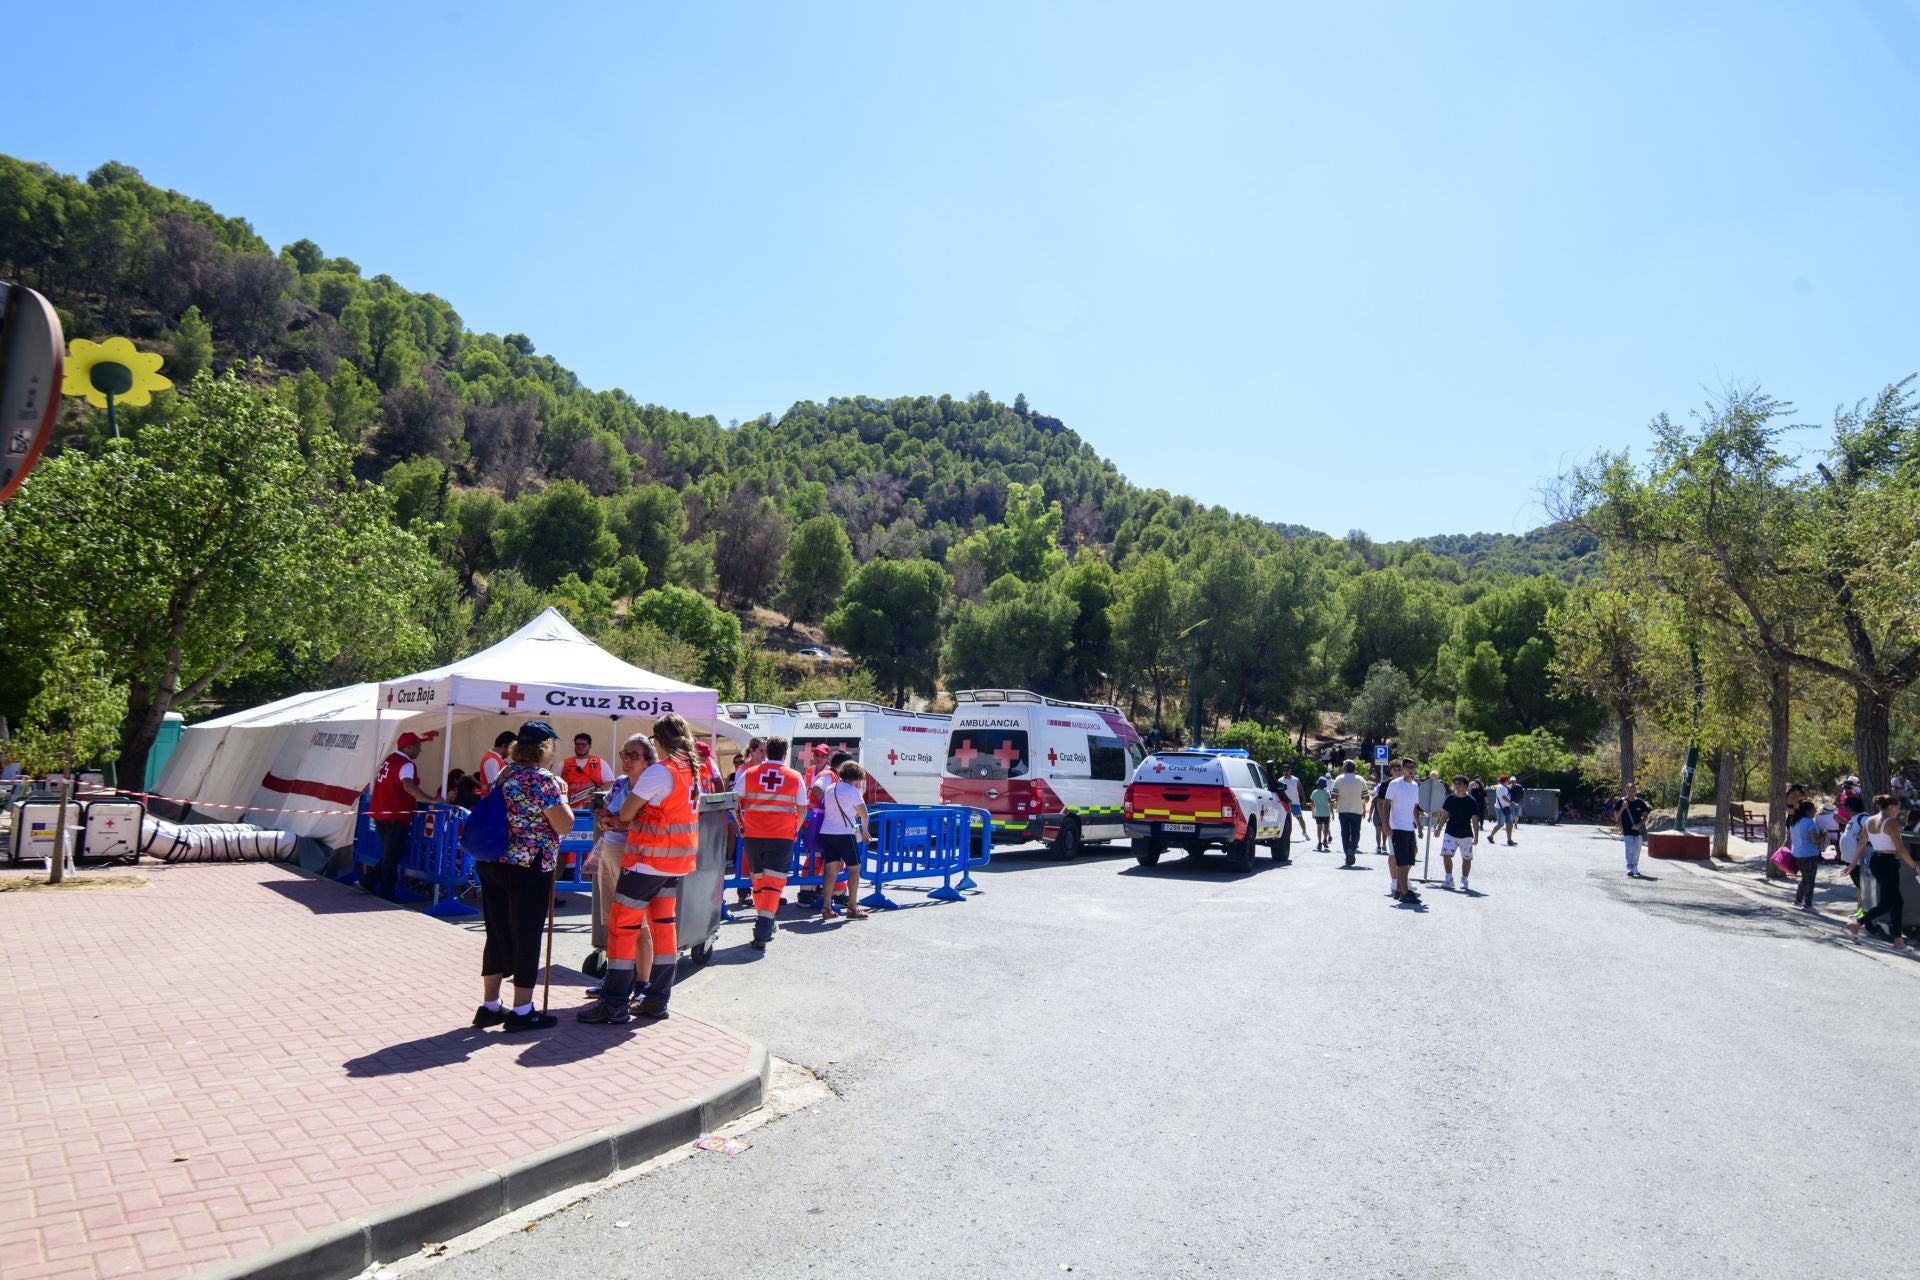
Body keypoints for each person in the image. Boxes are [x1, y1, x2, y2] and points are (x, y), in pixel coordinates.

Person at [581, 713, 703, 1024]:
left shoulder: (660, 772)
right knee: (663, 929)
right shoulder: (691, 770)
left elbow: (628, 810)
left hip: (646, 860)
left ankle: (615, 1004)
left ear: (658, 742)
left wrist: (617, 819)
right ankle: (656, 1001)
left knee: (623, 928)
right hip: (674, 861)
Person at [472, 720, 572, 1033]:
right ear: (545, 749)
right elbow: (564, 824)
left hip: (493, 860)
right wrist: (565, 796)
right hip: (528, 865)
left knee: (497, 931)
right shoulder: (543, 780)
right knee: (526, 933)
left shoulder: (506, 773)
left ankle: (490, 1005)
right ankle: (522, 1009)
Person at [588, 734, 655, 979]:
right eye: (625, 754)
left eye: (634, 755)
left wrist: (618, 823)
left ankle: (642, 981)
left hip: (635, 855)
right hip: (609, 850)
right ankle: (614, 978)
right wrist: (605, 819)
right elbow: (608, 809)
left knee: (637, 922)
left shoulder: (651, 786)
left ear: (648, 761)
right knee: (613, 920)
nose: (627, 760)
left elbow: (650, 823)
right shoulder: (620, 783)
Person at [738, 736, 807, 949]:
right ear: (785, 755)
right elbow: (802, 808)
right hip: (781, 836)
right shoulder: (795, 776)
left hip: (753, 835)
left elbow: (734, 800)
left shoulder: (749, 774)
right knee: (773, 881)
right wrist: (794, 829)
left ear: (767, 752)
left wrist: (742, 824)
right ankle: (765, 923)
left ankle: (764, 921)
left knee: (758, 880)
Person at [369, 731, 435, 901]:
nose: (420, 750)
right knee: (393, 855)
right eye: (418, 746)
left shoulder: (390, 759)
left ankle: (368, 881)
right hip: (395, 814)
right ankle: (386, 893)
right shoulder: (406, 764)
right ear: (409, 747)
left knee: (392, 852)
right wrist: (430, 800)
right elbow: (408, 785)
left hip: (381, 812)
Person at [1848, 794, 1915, 950]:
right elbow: (1901, 850)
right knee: (1887, 903)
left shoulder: (1870, 820)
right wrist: (1915, 867)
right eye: (1897, 806)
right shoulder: (1891, 823)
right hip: (1888, 862)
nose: (1899, 809)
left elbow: (1861, 844)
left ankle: (1898, 940)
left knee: (1897, 902)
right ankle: (1857, 922)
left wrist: (1852, 864)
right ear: (1891, 807)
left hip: (1876, 861)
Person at [816, 759, 871, 921]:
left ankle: (826, 907)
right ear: (856, 777)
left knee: (831, 872)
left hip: (826, 832)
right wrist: (865, 831)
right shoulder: (853, 791)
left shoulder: (830, 789)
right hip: (844, 833)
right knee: (854, 869)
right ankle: (852, 908)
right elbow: (864, 814)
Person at [1384, 758, 1423, 905]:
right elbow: (1386, 804)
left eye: (1413, 767)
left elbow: (1414, 807)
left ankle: (1401, 887)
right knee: (1401, 860)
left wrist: (1418, 825)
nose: (1411, 770)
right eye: (1408, 767)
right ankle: (1405, 892)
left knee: (1412, 854)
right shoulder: (1395, 784)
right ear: (1402, 768)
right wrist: (1386, 825)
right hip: (1397, 826)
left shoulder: (1414, 786)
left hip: (1409, 827)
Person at [1438, 774, 1482, 892]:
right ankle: (1449, 879)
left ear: (1466, 785)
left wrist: (1476, 836)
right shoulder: (1450, 798)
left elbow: (1475, 819)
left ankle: (1464, 880)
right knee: (1446, 854)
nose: (1457, 786)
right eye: (1455, 784)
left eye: (1460, 784)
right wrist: (1438, 828)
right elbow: (1445, 815)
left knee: (1466, 858)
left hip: (1466, 834)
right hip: (1450, 832)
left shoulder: (1471, 801)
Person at [1330, 762, 1369, 867]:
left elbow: (1334, 795)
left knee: (1345, 833)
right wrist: (1362, 804)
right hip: (1357, 810)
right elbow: (1367, 797)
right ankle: (1352, 848)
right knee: (1356, 833)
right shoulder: (1360, 779)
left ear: (1345, 768)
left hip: (1342, 810)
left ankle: (1348, 854)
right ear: (1354, 769)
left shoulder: (1339, 779)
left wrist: (1336, 802)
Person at [559, 733, 613, 809]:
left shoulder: (599, 762)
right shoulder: (564, 764)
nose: (580, 747)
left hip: (593, 809)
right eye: (577, 744)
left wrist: (600, 791)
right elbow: (553, 783)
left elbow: (610, 782)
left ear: (589, 746)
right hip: (570, 809)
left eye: (583, 744)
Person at [1788, 799, 1822, 910]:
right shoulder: (1809, 822)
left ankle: (1798, 900)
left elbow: (1789, 839)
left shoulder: (1794, 822)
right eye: (1813, 809)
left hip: (1797, 854)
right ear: (1808, 811)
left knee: (1805, 878)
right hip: (1809, 854)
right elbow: (1815, 839)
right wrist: (1824, 836)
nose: (1815, 811)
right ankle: (1808, 903)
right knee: (1810, 880)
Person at [1619, 782, 1652, 878]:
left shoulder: (1640, 803)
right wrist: (1623, 807)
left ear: (1635, 791)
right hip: (1627, 830)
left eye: (1633, 790)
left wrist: (1638, 824)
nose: (1631, 792)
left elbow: (1646, 817)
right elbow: (1616, 816)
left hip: (1638, 831)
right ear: (1626, 790)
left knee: (1637, 850)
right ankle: (1630, 867)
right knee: (1629, 849)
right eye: (1629, 790)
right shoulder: (1621, 802)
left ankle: (1635, 866)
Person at [1490, 776, 1518, 846]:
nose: (1509, 781)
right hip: (1500, 808)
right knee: (1500, 824)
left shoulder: (1504, 786)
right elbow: (1504, 797)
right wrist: (1512, 803)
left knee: (1509, 823)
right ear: (1505, 780)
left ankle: (1509, 840)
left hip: (1506, 807)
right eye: (1508, 780)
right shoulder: (1501, 787)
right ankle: (1490, 836)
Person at [1309, 776, 1333, 852]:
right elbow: (1330, 803)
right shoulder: (1327, 792)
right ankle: (1325, 839)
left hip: (1318, 813)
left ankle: (1319, 842)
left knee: (1319, 827)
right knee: (1326, 827)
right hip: (1326, 812)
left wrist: (1313, 813)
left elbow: (1312, 804)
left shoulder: (1314, 792)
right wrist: (1332, 812)